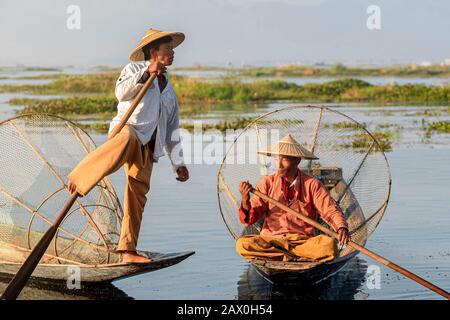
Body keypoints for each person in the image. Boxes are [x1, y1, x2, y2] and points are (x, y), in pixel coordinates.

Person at [67, 28, 189, 263]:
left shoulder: (169, 90)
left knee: (137, 194)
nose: (173, 52)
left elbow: (172, 130)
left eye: (172, 49)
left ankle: (128, 251)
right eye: (168, 48)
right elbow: (121, 93)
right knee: (126, 141)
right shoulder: (133, 69)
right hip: (128, 131)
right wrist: (147, 72)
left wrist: (178, 163)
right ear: (154, 52)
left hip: (148, 146)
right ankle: (80, 177)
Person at [236, 134, 350, 262]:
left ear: (297, 160)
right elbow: (250, 219)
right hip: (272, 242)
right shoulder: (266, 183)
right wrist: (245, 199)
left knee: (330, 246)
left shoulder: (312, 184)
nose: (278, 164)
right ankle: (289, 255)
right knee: (242, 245)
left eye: (284, 159)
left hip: (302, 242)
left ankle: (288, 255)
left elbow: (330, 210)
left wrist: (341, 228)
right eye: (276, 159)